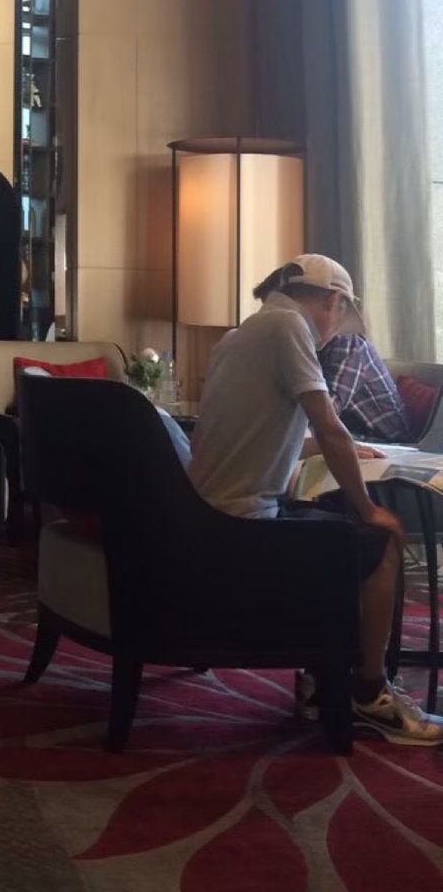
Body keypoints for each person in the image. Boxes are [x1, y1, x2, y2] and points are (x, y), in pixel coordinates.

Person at [189, 253, 441, 745]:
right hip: (243, 525)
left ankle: (320, 684)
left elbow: (263, 430)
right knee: (378, 539)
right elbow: (328, 424)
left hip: (209, 514)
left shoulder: (238, 336)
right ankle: (369, 693)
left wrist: (331, 447)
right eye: (341, 313)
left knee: (334, 522)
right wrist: (371, 508)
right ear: (333, 300)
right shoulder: (289, 327)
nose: (336, 329)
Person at [318, 331, 411, 443]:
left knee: (308, 439)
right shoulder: (320, 347)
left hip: (387, 442)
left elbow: (323, 415)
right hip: (355, 433)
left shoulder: (349, 344)